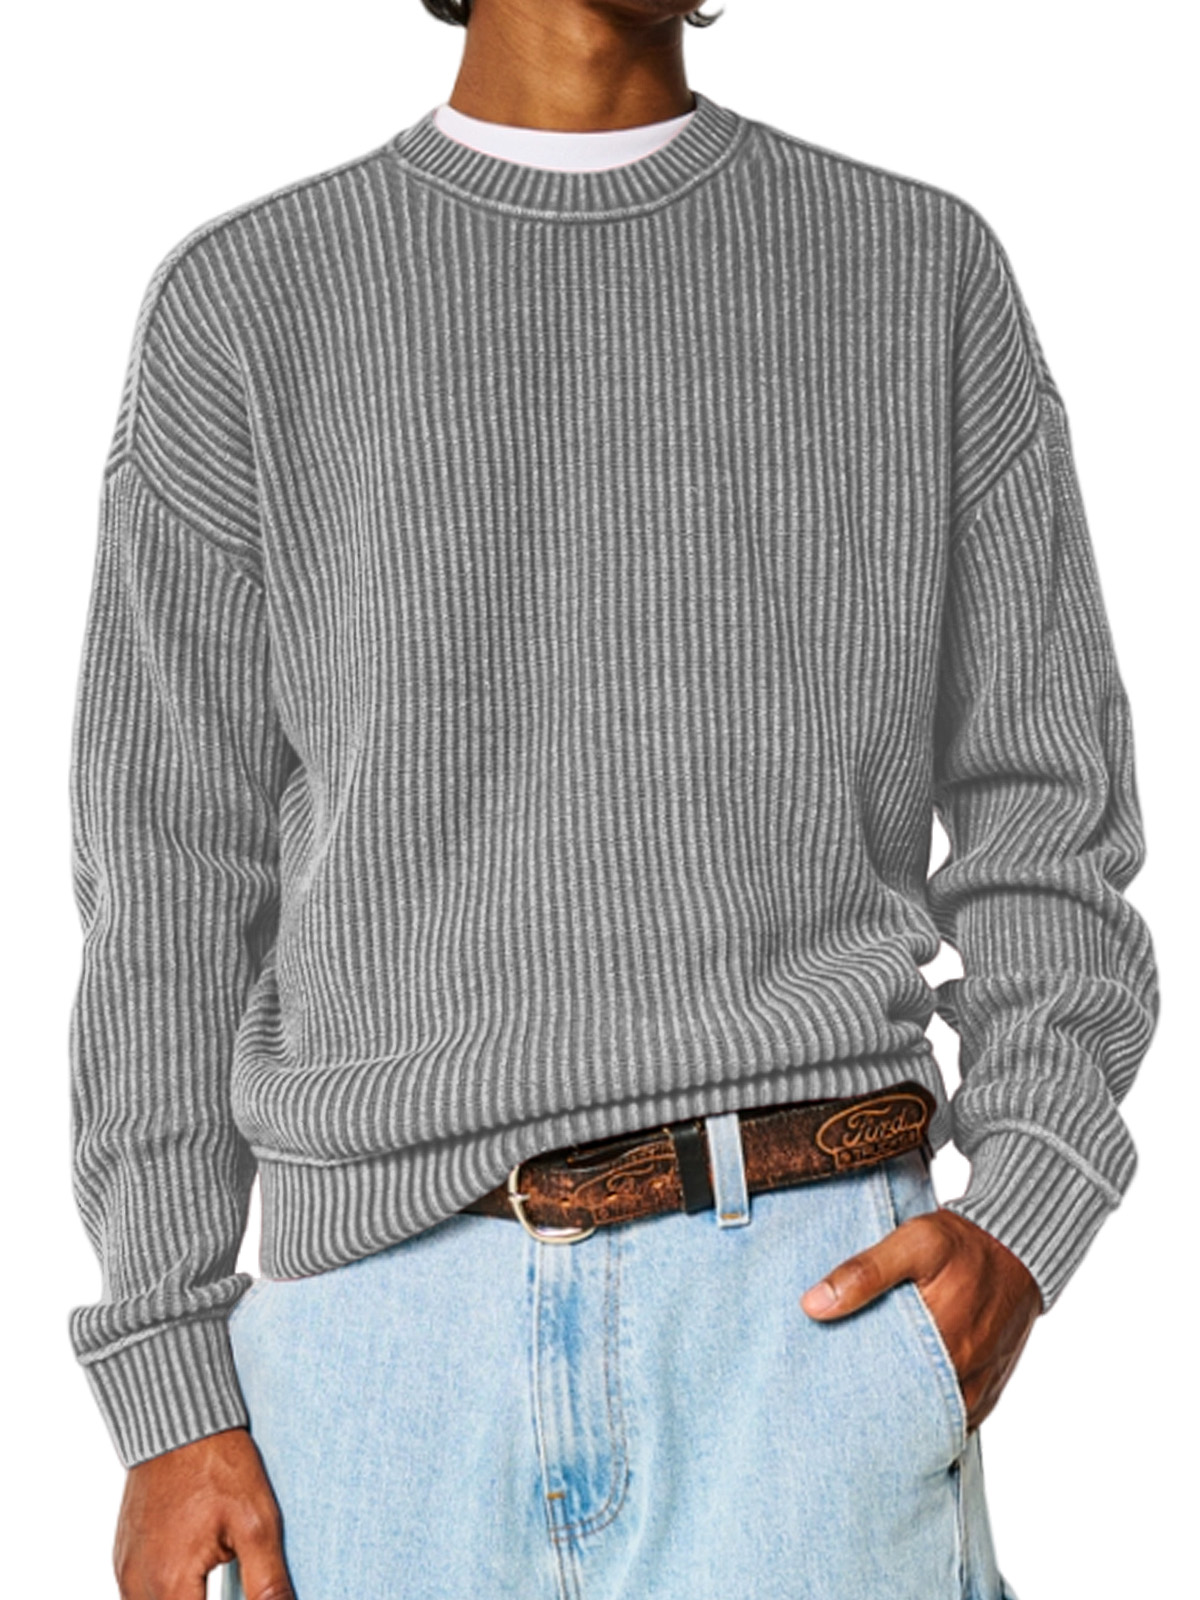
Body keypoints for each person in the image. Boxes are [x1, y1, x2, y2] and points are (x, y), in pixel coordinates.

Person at [66, 0, 1160, 1596]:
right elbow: (168, 882)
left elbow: (1047, 810)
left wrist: (1032, 1211)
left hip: (809, 1328)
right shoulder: (246, 308)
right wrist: (166, 1380)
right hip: (377, 1377)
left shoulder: (919, 274)